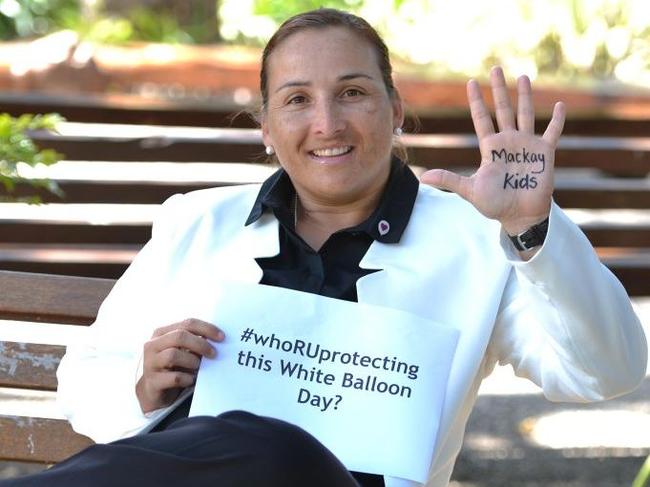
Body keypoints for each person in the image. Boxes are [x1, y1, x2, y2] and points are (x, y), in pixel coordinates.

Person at [4, 7, 646, 487]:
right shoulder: (195, 222)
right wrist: (144, 385)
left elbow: (607, 373)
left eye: (353, 93)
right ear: (265, 125)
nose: (327, 124)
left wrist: (533, 232)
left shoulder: (478, 243)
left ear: (396, 109)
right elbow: (84, 382)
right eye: (296, 100)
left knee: (278, 451)